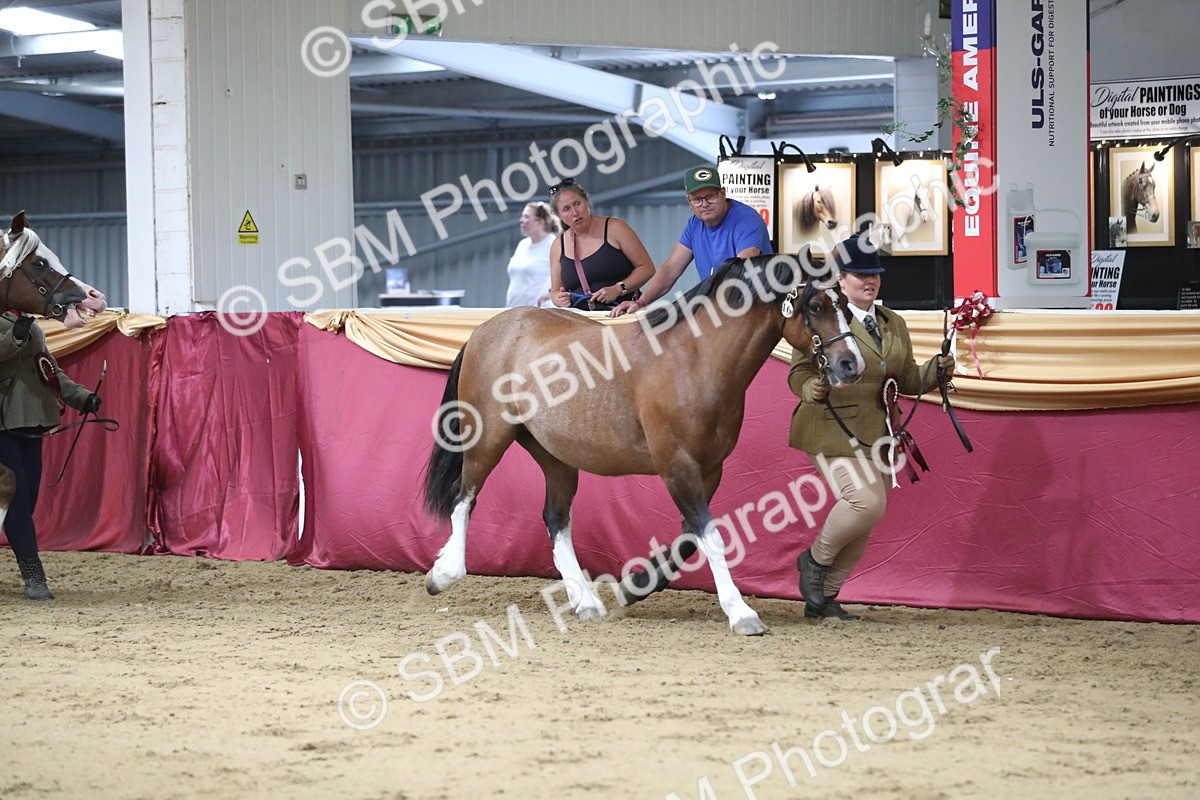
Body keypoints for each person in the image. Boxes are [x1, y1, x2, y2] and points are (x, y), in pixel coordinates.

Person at [787, 235, 953, 621]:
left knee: (869, 516)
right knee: (866, 502)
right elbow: (799, 371)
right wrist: (810, 387)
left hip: (876, 432)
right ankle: (814, 561)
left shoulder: (893, 322)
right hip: (828, 425)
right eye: (860, 274)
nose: (870, 280)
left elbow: (907, 378)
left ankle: (823, 599)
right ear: (840, 279)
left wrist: (937, 371)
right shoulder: (822, 314)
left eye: (875, 273)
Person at [0, 312, 101, 600]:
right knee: (16, 499)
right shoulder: (18, 327)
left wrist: (82, 397)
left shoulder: (30, 324)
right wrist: (15, 336)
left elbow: (48, 369)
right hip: (3, 419)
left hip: (32, 416)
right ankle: (34, 576)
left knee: (27, 497)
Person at [611, 165, 773, 316]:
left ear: (723, 194)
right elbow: (671, 268)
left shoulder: (746, 220)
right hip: (719, 308)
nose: (705, 204)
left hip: (755, 308)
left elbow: (742, 267)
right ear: (689, 202)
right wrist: (641, 302)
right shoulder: (694, 225)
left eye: (711, 196)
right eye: (697, 199)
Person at [547, 178, 655, 310]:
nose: (575, 212)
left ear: (586, 201)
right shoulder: (558, 245)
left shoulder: (615, 228)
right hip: (581, 321)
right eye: (566, 209)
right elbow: (555, 291)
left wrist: (619, 288)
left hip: (622, 313)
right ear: (558, 215)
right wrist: (558, 298)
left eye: (577, 203)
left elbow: (647, 268)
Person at [505, 201, 561, 307]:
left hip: (540, 314)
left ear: (540, 222)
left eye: (526, 217)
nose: (521, 220)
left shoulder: (554, 245)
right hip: (514, 311)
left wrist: (548, 295)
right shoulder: (522, 245)